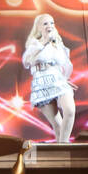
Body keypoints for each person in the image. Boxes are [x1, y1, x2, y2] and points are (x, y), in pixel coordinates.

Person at [21, 14, 76, 143]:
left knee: (70, 110)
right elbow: (27, 62)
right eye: (45, 24)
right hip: (41, 82)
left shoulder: (57, 43)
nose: (49, 26)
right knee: (57, 124)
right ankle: (63, 154)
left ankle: (64, 146)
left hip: (58, 80)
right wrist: (45, 42)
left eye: (52, 23)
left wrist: (65, 79)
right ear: (39, 27)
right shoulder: (34, 44)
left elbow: (66, 63)